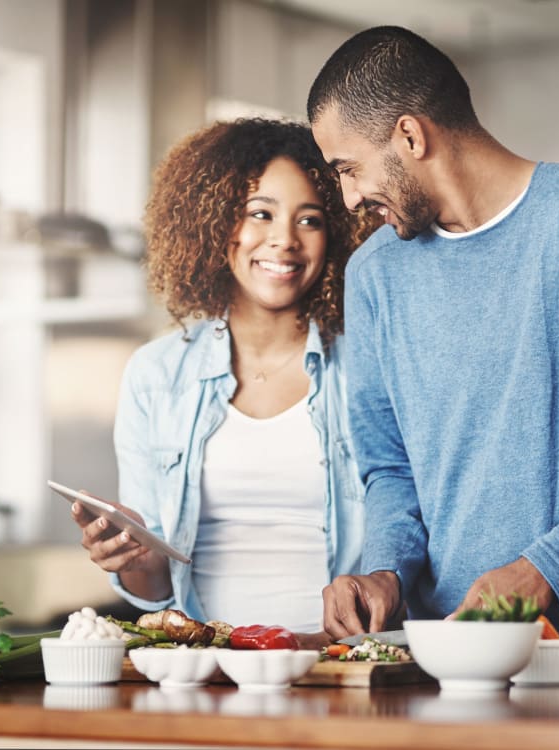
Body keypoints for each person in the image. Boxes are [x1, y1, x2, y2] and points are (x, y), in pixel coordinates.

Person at [306, 26, 559, 675]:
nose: (351, 197)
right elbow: (389, 467)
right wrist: (384, 568)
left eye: (349, 168)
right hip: (443, 659)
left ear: (412, 137)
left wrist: (543, 572)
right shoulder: (375, 274)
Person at [71, 118, 376, 638]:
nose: (284, 241)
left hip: (338, 666)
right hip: (206, 668)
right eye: (261, 214)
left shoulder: (368, 366)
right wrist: (128, 557)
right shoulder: (156, 376)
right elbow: (157, 589)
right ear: (215, 225)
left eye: (310, 220)